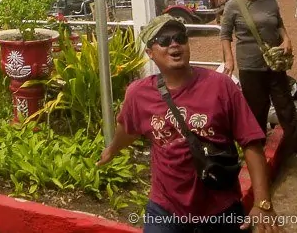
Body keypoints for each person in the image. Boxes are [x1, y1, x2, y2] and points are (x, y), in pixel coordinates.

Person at [99, 15, 278, 232]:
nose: (174, 44)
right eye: (163, 40)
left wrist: (263, 202)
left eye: (180, 38)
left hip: (220, 208)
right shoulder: (139, 94)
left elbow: (251, 143)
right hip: (165, 210)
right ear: (150, 53)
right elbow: (128, 129)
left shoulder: (221, 86)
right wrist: (112, 149)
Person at [220, 0, 297, 169]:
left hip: (275, 63)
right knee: (257, 111)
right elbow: (225, 35)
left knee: (286, 107)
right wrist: (229, 59)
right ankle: (257, 154)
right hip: (250, 66)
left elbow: (279, 23)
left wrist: (286, 39)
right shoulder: (233, 6)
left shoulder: (270, 1)